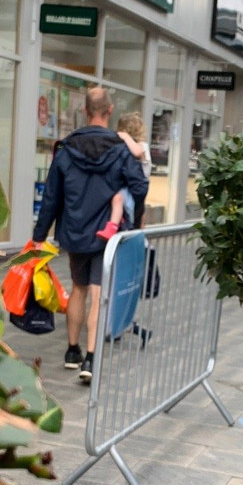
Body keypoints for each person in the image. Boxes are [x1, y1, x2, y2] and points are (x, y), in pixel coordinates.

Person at [31, 87, 149, 383]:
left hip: (73, 231)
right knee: (98, 294)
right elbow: (140, 184)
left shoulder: (66, 149)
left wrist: (39, 234)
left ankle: (72, 350)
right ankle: (91, 358)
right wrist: (133, 219)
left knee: (79, 288)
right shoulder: (120, 149)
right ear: (110, 111)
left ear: (85, 111)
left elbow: (51, 196)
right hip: (106, 234)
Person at [97, 111, 151, 238]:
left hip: (133, 188)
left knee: (118, 199)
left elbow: (137, 152)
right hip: (134, 188)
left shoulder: (142, 146)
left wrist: (126, 137)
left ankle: (113, 227)